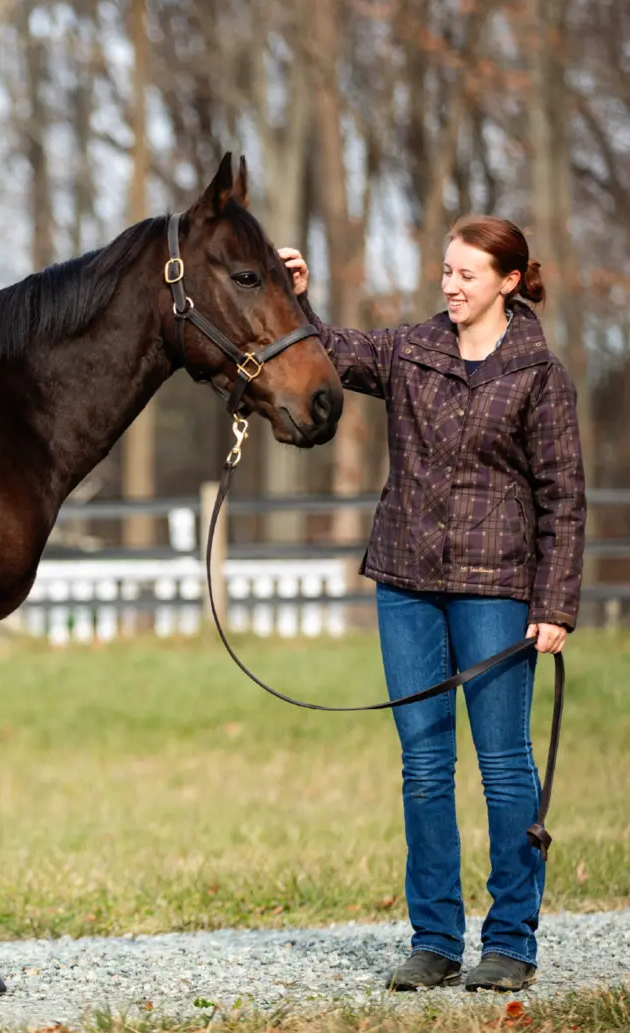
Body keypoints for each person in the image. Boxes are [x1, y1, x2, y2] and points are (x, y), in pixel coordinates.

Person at [279, 216, 586, 993]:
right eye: (446, 271)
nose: (451, 285)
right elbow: (334, 352)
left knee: (505, 764)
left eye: (467, 274)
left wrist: (554, 602)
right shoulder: (412, 350)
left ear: (509, 282)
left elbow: (563, 498)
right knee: (423, 766)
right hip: (407, 582)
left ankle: (511, 940)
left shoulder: (539, 374)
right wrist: (298, 296)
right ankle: (436, 939)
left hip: (496, 588)